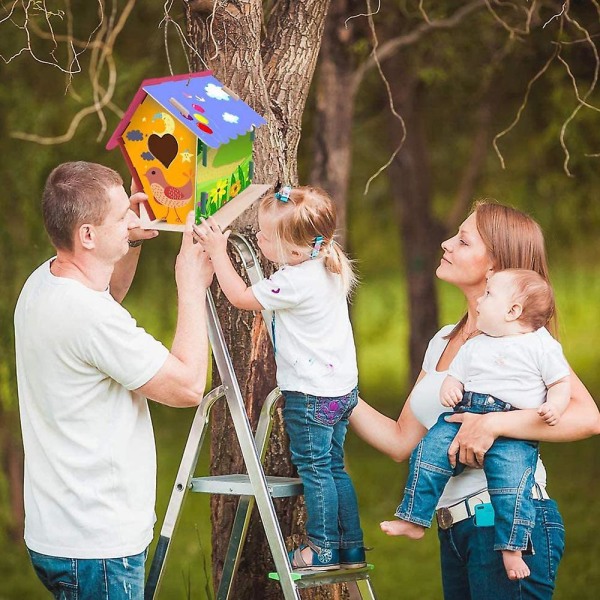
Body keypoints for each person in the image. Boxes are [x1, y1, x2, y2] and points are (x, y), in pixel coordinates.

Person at [350, 200, 600, 599]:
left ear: (494, 268)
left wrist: (494, 424)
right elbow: (401, 441)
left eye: (463, 241)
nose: (446, 243)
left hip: (507, 526)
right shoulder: (444, 342)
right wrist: (334, 391)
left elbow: (588, 417)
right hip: (455, 530)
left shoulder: (524, 342)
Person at [14, 161, 213, 600]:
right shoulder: (90, 319)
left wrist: (130, 243)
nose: (136, 218)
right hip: (98, 547)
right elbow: (187, 387)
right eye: (123, 214)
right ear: (87, 235)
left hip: (61, 534)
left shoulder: (45, 282)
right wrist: (191, 286)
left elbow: (108, 296)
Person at [193, 185, 366, 571]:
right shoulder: (328, 263)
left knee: (315, 471)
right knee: (334, 467)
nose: (257, 238)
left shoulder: (294, 281)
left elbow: (239, 296)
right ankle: (350, 546)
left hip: (311, 396)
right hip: (341, 393)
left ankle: (320, 549)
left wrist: (220, 254)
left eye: (265, 236)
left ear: (292, 249)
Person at [381, 269, 571, 581]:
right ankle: (414, 517)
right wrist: (450, 388)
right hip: (463, 414)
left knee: (511, 484)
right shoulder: (473, 344)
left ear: (513, 311)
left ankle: (512, 548)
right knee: (428, 453)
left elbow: (561, 384)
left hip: (512, 431)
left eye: (488, 294)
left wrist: (555, 405)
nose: (480, 300)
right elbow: (456, 376)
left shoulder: (540, 344)